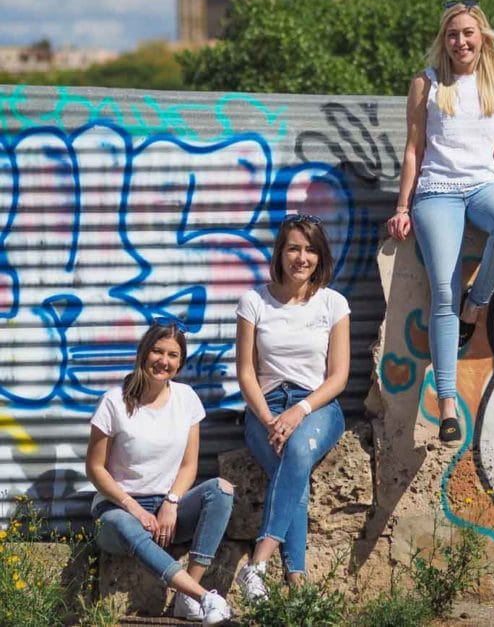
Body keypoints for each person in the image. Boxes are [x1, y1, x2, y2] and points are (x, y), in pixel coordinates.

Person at [387, 0, 494, 445]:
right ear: (443, 40)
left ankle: (476, 303)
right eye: (452, 35)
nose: (460, 42)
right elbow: (414, 149)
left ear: (481, 36)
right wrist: (403, 206)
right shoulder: (427, 83)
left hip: (484, 185)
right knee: (443, 291)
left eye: (467, 33)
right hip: (437, 192)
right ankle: (447, 402)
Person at [86, 321, 234, 626]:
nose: (163, 361)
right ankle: (203, 597)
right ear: (143, 353)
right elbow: (95, 468)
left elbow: (189, 466)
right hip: (118, 510)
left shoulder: (186, 399)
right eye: (157, 351)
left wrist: (172, 501)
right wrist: (133, 508)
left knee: (221, 490)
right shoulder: (114, 402)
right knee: (125, 524)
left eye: (172, 355)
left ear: (180, 363)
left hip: (166, 514)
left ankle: (185, 598)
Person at [234, 213, 350, 599]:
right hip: (264, 408)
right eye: (294, 249)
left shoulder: (333, 303)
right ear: (280, 254)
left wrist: (299, 411)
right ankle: (296, 582)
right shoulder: (254, 302)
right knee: (293, 472)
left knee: (297, 451)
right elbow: (246, 372)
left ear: (321, 256)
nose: (302, 258)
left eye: (310, 250)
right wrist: (269, 419)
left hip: (317, 406)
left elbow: (338, 377)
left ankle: (257, 564)